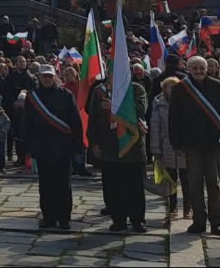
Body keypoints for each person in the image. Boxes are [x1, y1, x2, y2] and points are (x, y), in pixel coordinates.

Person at [170, 55, 220, 236]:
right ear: (188, 69)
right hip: (191, 144)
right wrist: (176, 142)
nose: (199, 71)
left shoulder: (218, 86)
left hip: (214, 144)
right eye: (195, 68)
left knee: (214, 184)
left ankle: (216, 222)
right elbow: (174, 117)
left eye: (202, 68)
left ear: (207, 69)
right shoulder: (181, 89)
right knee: (194, 184)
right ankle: (199, 221)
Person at [20, 64, 84, 230]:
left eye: (49, 76)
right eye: (44, 76)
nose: (47, 79)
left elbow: (75, 122)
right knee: (45, 185)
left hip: (63, 148)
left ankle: (64, 219)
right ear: (39, 78)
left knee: (63, 185)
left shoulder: (66, 95)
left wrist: (77, 147)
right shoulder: (33, 97)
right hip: (42, 147)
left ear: (55, 76)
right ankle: (48, 217)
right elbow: (26, 122)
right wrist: (27, 147)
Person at [88, 73, 148, 233]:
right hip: (110, 147)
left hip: (133, 147)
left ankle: (137, 220)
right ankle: (118, 220)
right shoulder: (99, 92)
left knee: (135, 187)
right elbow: (93, 118)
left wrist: (115, 107)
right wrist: (93, 143)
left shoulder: (136, 89)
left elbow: (140, 110)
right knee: (114, 187)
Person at [150, 77, 188, 219]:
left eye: (174, 87)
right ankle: (172, 207)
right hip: (166, 145)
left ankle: (187, 207)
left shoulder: (186, 101)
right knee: (170, 180)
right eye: (169, 87)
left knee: (186, 178)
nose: (171, 89)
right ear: (164, 88)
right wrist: (155, 149)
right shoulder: (158, 103)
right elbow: (155, 127)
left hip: (183, 146)